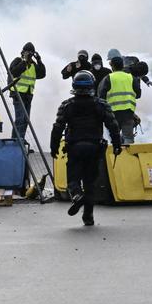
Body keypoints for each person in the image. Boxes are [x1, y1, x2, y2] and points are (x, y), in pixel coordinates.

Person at [50, 71, 122, 227]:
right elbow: (113, 125)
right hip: (95, 148)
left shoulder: (67, 105)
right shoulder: (101, 104)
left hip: (75, 147)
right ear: (92, 85)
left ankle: (77, 195)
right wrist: (117, 144)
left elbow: (57, 127)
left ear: (74, 86)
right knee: (90, 183)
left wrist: (53, 147)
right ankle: (88, 216)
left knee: (73, 179)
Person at [8, 43, 45, 141]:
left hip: (28, 95)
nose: (29, 54)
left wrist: (39, 60)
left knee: (25, 120)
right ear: (23, 52)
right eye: (27, 52)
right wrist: (24, 61)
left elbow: (42, 74)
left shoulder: (33, 64)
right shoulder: (18, 61)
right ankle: (16, 142)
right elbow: (13, 72)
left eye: (31, 53)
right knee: (20, 118)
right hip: (18, 93)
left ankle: (20, 140)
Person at [101, 55, 139, 145]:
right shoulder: (131, 77)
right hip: (128, 112)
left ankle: (117, 151)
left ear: (112, 66)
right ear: (122, 65)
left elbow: (102, 96)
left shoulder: (108, 78)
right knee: (128, 138)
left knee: (115, 138)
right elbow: (138, 94)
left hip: (113, 113)